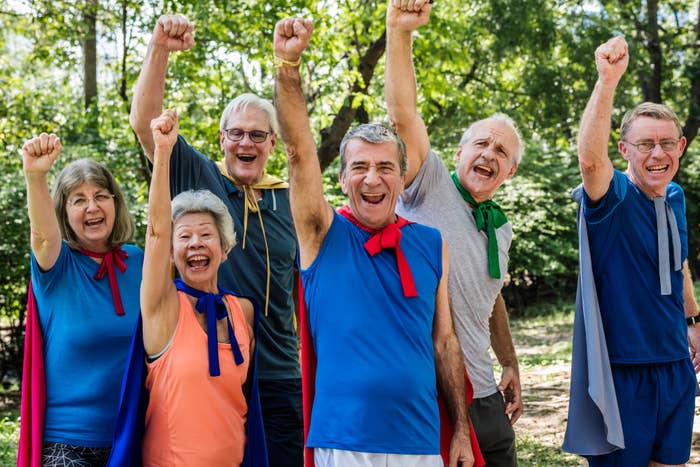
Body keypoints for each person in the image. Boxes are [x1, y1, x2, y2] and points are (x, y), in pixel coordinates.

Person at [274, 17, 481, 467]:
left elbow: (444, 343)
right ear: (344, 177)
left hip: (422, 440)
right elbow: (297, 151)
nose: (373, 177)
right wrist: (288, 66)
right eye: (361, 167)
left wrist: (462, 430)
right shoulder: (321, 233)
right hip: (345, 440)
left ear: (402, 176)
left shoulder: (431, 243)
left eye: (386, 167)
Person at [130, 14, 302, 465]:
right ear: (222, 139)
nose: (246, 142)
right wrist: (160, 48)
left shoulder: (290, 199)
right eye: (237, 133)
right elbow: (146, 121)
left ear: (271, 143)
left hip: (280, 373)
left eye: (258, 135)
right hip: (207, 363)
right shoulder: (202, 177)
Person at [385, 1, 523, 465]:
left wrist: (510, 361)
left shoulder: (500, 230)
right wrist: (400, 32)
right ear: (461, 150)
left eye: (501, 151)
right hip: (429, 391)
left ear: (510, 170)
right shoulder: (429, 184)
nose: (489, 154)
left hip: (485, 396)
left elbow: (493, 298)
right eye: (481, 143)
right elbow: (404, 115)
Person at [562, 35, 700, 466]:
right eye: (644, 145)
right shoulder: (613, 195)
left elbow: (678, 262)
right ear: (625, 151)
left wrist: (693, 319)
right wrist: (607, 81)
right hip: (623, 372)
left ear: (680, 147)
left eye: (667, 143)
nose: (657, 153)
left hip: (676, 364)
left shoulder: (674, 196)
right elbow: (589, 161)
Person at [136, 108, 261, 465]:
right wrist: (163, 152)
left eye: (206, 235)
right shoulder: (162, 307)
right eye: (185, 237)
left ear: (223, 249)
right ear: (173, 254)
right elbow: (157, 231)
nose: (195, 244)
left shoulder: (244, 313)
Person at [19, 133, 143, 466]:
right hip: (67, 442)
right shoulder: (55, 267)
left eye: (101, 195)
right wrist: (35, 175)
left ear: (115, 202)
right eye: (78, 199)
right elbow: (43, 235)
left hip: (131, 436)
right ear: (64, 210)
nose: (92, 206)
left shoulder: (137, 261)